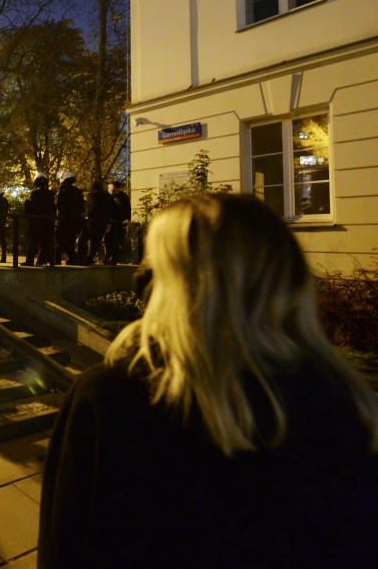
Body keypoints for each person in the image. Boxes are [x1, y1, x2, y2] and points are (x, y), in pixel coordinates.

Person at [38, 193, 378, 568]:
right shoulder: (346, 403)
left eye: (152, 264)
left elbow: (65, 550)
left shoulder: (110, 400)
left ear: (170, 283)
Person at [21, 173, 55, 266]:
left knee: (33, 242)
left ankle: (30, 261)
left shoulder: (35, 193)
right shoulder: (50, 194)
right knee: (46, 242)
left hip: (36, 222)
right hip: (48, 222)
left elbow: (32, 208)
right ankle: (44, 260)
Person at [54, 171, 84, 265]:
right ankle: (72, 260)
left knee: (60, 241)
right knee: (70, 241)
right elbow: (81, 207)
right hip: (74, 221)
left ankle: (57, 259)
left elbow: (58, 204)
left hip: (63, 220)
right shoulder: (78, 192)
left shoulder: (62, 191)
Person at [81, 178, 114, 265]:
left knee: (83, 240)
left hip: (92, 221)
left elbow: (91, 208)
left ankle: (82, 258)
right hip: (103, 222)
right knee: (96, 242)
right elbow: (110, 209)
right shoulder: (107, 196)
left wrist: (87, 215)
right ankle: (90, 258)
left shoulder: (91, 195)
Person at [103, 180, 131, 265]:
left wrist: (127, 219)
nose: (111, 192)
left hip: (118, 222)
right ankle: (108, 257)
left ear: (117, 189)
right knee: (107, 241)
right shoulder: (106, 196)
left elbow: (127, 209)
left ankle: (113, 259)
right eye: (110, 190)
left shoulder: (123, 197)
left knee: (117, 241)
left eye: (113, 190)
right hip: (109, 222)